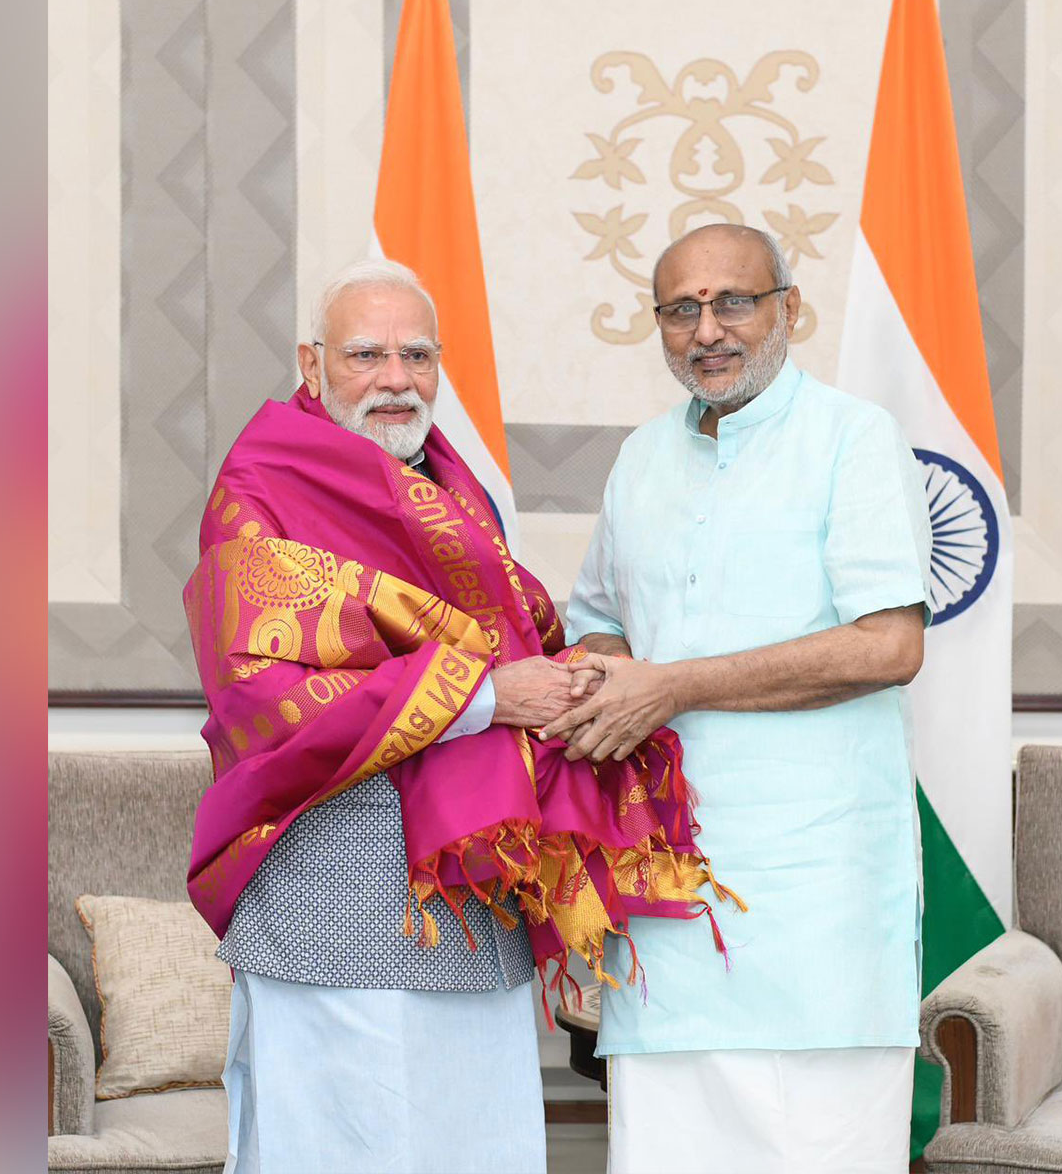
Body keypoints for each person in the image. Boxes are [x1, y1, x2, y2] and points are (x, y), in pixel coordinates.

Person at [182, 258, 729, 1174]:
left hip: (471, 897)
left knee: (479, 1144)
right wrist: (485, 696)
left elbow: (515, 642)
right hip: (332, 894)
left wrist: (567, 684)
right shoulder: (261, 491)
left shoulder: (452, 492)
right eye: (367, 355)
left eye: (417, 355)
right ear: (312, 367)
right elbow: (257, 692)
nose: (396, 379)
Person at [552, 223, 933, 1173]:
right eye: (681, 309)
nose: (707, 329)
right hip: (668, 904)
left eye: (734, 302)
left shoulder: (855, 437)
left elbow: (890, 645)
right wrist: (603, 673)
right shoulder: (641, 458)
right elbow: (597, 622)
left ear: (789, 310)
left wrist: (672, 685)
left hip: (817, 909)